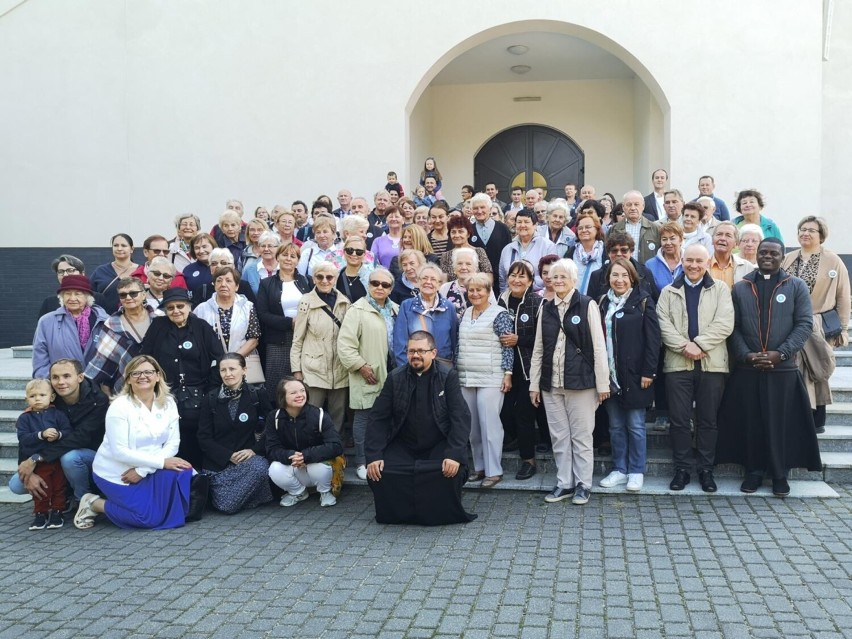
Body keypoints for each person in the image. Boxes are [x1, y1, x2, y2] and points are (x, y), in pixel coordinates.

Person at [717, 238, 821, 496]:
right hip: (749, 369)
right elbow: (734, 327)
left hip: (782, 369)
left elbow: (804, 324)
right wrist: (747, 355)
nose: (767, 257)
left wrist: (781, 353)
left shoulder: (796, 286)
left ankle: (779, 473)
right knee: (752, 422)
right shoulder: (741, 287)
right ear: (756, 255)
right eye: (763, 252)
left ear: (782, 256)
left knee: (780, 424)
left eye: (773, 253)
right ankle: (753, 472)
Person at [365, 331, 476, 525]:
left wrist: (454, 454)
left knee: (451, 470)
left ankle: (438, 513)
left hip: (438, 442)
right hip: (403, 444)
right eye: (411, 351)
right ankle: (398, 514)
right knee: (381, 471)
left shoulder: (447, 376)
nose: (415, 355)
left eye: (421, 351)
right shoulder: (395, 378)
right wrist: (374, 455)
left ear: (433, 353)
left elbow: (460, 417)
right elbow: (378, 418)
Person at [74, 355, 194, 530]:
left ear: (158, 376)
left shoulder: (168, 402)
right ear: (128, 379)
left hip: (146, 468)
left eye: (148, 372)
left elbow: (173, 443)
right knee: (147, 518)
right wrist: (159, 464)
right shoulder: (120, 406)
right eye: (136, 373)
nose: (142, 376)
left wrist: (143, 470)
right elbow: (120, 452)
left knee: (184, 470)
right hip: (117, 473)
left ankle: (154, 505)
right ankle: (94, 503)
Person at [529, 259, 609, 506]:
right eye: (555, 277)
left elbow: (598, 346)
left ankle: (584, 484)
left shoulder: (587, 305)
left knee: (582, 437)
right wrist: (534, 384)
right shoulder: (546, 308)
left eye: (564, 276)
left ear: (574, 280)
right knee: (559, 437)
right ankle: (564, 482)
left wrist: (603, 383)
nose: (559, 280)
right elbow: (539, 349)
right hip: (551, 383)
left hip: (582, 383)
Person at [656, 244, 734, 492]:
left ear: (707, 261)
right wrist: (684, 347)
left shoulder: (720, 289)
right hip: (678, 365)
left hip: (712, 365)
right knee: (679, 421)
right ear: (682, 260)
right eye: (689, 260)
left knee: (708, 421)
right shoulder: (668, 291)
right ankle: (682, 469)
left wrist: (699, 344)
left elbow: (725, 323)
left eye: (699, 261)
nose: (693, 265)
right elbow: (663, 324)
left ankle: (706, 470)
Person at [140, 288, 224, 469]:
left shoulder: (201, 327)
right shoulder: (157, 326)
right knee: (170, 436)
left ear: (189, 307)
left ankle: (198, 479)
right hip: (166, 393)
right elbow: (146, 358)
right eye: (170, 308)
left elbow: (219, 359)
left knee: (197, 436)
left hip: (199, 393)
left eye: (180, 306)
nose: (176, 311)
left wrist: (210, 388)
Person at [9, 359, 108, 509]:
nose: (60, 382)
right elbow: (27, 433)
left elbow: (79, 438)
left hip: (91, 457)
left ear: (80, 377)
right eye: (55, 377)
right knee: (16, 484)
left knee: (70, 458)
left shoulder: (98, 400)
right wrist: (26, 465)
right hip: (54, 456)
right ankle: (62, 495)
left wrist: (37, 458)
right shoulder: (47, 397)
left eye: (67, 376)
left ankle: (84, 501)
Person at [782, 216, 851, 434]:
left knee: (816, 369)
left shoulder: (833, 261)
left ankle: (816, 420)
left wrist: (844, 328)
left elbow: (843, 296)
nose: (805, 233)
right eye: (802, 229)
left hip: (818, 325)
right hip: (789, 325)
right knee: (794, 370)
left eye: (811, 230)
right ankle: (795, 416)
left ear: (821, 235)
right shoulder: (788, 258)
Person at [597, 260, 660, 493]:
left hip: (636, 375)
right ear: (608, 278)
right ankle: (619, 469)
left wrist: (648, 371)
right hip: (610, 375)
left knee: (635, 425)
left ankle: (636, 470)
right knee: (615, 426)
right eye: (615, 275)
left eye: (624, 275)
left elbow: (654, 340)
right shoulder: (602, 302)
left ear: (632, 277)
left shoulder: (643, 301)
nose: (619, 280)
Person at [338, 267, 398, 480]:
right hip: (368, 373)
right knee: (364, 418)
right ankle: (361, 461)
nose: (380, 287)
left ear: (391, 288)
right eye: (375, 283)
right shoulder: (357, 310)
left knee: (388, 418)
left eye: (385, 284)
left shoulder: (396, 310)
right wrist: (360, 366)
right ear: (368, 285)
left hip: (392, 373)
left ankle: (383, 456)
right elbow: (345, 346)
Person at [197, 353, 274, 514]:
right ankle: (251, 497)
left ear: (244, 370)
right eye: (223, 370)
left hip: (247, 461)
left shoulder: (257, 395)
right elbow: (203, 437)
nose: (228, 374)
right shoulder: (210, 399)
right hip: (219, 464)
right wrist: (227, 455)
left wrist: (254, 450)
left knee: (261, 467)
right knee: (227, 506)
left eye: (232, 369)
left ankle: (244, 496)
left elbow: (272, 429)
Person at [456, 274, 514, 488]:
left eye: (480, 290)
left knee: (489, 424)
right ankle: (479, 468)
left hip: (492, 376)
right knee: (472, 427)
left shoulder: (499, 314)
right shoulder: (465, 313)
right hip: (466, 375)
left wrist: (508, 373)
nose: (475, 293)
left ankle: (494, 470)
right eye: (471, 290)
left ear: (489, 292)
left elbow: (508, 345)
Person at [498, 260, 545, 480]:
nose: (516, 280)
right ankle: (514, 439)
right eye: (513, 275)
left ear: (530, 281)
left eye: (522, 276)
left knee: (524, 415)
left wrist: (519, 339)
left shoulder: (538, 302)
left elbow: (545, 338)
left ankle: (529, 461)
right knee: (505, 410)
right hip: (505, 368)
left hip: (529, 368)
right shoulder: (500, 300)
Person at [265, 377, 343, 508]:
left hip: (317, 466)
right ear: (282, 396)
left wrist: (305, 456)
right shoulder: (274, 417)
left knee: (317, 467)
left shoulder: (319, 414)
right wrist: (291, 455)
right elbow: (272, 449)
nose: (300, 395)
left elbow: (336, 446)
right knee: (275, 469)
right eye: (293, 392)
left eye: (302, 391)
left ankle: (325, 491)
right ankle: (298, 492)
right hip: (294, 466)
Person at [291, 262, 351, 430]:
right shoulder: (306, 302)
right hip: (313, 369)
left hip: (339, 369)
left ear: (335, 279)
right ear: (313, 279)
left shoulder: (344, 302)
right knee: (312, 414)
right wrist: (297, 371)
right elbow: (297, 339)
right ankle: (312, 450)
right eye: (320, 276)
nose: (325, 280)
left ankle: (334, 450)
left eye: (329, 277)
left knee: (337, 415)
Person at [17, 378, 73, 530]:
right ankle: (40, 513)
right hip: (38, 462)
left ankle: (57, 511)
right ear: (26, 398)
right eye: (33, 396)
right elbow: (23, 439)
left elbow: (68, 432)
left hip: (56, 459)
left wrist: (59, 435)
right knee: (42, 488)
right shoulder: (24, 418)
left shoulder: (58, 415)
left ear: (52, 397)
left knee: (58, 486)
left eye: (42, 395)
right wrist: (41, 435)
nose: (37, 399)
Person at [85, 276, 157, 395]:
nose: (128, 298)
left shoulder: (159, 318)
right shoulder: (112, 324)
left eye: (133, 293)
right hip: (125, 389)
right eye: (123, 295)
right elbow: (102, 361)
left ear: (144, 295)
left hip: (159, 385)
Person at [256, 243, 311, 394]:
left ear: (298, 260)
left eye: (293, 256)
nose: (288, 259)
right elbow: (262, 313)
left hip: (305, 337)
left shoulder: (307, 281)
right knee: (278, 385)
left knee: (302, 382)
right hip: (278, 340)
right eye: (285, 255)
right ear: (278, 257)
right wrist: (289, 323)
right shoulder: (267, 283)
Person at [193, 266, 262, 382]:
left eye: (228, 281)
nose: (223, 284)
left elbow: (253, 339)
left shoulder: (247, 306)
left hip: (242, 362)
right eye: (219, 280)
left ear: (237, 286)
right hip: (211, 365)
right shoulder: (201, 309)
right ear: (214, 285)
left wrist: (233, 360)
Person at [32, 274, 109, 378]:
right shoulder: (46, 322)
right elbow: (40, 358)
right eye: (67, 294)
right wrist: (50, 381)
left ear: (87, 297)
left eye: (78, 294)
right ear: (62, 297)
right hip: (61, 385)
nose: (72, 298)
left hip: (97, 386)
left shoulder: (105, 321)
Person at [393, 263, 457, 366]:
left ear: (439, 284)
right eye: (424, 278)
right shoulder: (407, 306)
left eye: (433, 279)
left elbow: (454, 342)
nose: (428, 282)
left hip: (443, 368)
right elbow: (400, 343)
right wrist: (406, 371)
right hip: (416, 367)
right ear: (418, 282)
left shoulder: (449, 307)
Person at [499, 209, 557, 293]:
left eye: (526, 222)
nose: (522, 225)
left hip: (539, 297)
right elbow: (503, 279)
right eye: (519, 222)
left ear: (535, 225)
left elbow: (552, 276)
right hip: (512, 296)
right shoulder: (507, 249)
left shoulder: (548, 246)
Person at [439, 247, 496, 323]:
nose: (463, 267)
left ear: (475, 267)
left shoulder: (484, 287)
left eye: (468, 264)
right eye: (459, 263)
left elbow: (494, 312)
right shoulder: (445, 288)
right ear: (454, 268)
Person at [90, 233, 138, 313]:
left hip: (136, 319)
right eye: (115, 245)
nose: (119, 248)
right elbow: (88, 295)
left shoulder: (142, 271)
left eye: (123, 245)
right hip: (105, 320)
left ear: (132, 249)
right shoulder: (101, 271)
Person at [469, 192, 513, 277]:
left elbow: (509, 253)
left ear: (489, 208)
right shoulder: (469, 230)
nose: (479, 211)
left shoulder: (502, 228)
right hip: (477, 279)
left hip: (500, 277)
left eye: (482, 207)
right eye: (475, 208)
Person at [612, 191, 661, 264]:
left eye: (636, 204)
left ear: (643, 206)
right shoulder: (614, 229)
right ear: (623, 207)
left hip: (647, 273)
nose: (633, 208)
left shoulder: (655, 228)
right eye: (629, 205)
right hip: (622, 273)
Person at [709, 222, 756, 289]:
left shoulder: (748, 268)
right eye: (719, 234)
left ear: (736, 243)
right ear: (712, 240)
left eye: (728, 235)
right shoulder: (702, 265)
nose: (722, 238)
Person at [567, 212, 604, 295]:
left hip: (596, 300)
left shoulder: (605, 251)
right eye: (580, 228)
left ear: (597, 229)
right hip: (573, 300)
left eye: (588, 227)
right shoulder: (571, 252)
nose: (584, 230)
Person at [645, 222, 684, 292]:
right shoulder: (650, 265)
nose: (668, 243)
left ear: (681, 240)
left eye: (672, 238)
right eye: (664, 239)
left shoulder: (689, 262)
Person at [242, 231, 281, 295]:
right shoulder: (249, 270)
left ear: (278, 248)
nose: (266, 249)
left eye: (270, 246)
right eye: (263, 246)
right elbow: (243, 294)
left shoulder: (285, 269)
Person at [335, 235, 371, 303]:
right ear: (344, 252)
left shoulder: (371, 277)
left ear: (364, 254)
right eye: (350, 250)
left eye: (359, 251)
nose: (354, 254)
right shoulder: (335, 277)